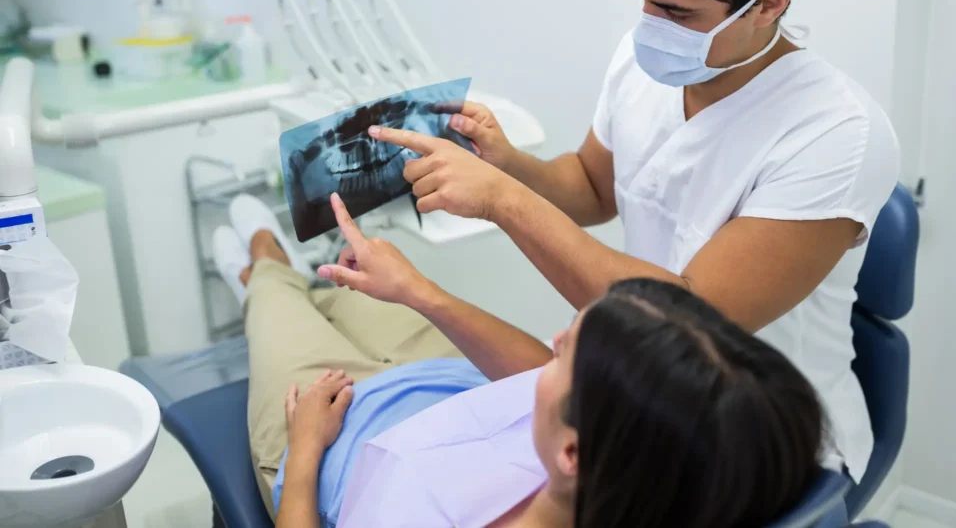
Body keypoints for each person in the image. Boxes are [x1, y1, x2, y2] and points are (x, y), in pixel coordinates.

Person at [366, 0, 900, 494]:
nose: (649, 26)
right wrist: (511, 165)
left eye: (677, 13)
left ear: (771, 2)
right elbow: (594, 188)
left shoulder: (837, 132)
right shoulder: (645, 58)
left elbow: (685, 322)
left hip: (763, 436)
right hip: (641, 396)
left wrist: (505, 200)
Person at [212, 192, 826, 528]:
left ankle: (261, 262)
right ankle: (293, 280)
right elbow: (533, 375)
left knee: (273, 294)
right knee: (348, 289)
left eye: (567, 351)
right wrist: (419, 292)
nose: (552, 342)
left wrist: (307, 451)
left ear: (572, 454)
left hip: (328, 429)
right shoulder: (641, 461)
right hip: (446, 382)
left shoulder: (413, 513)